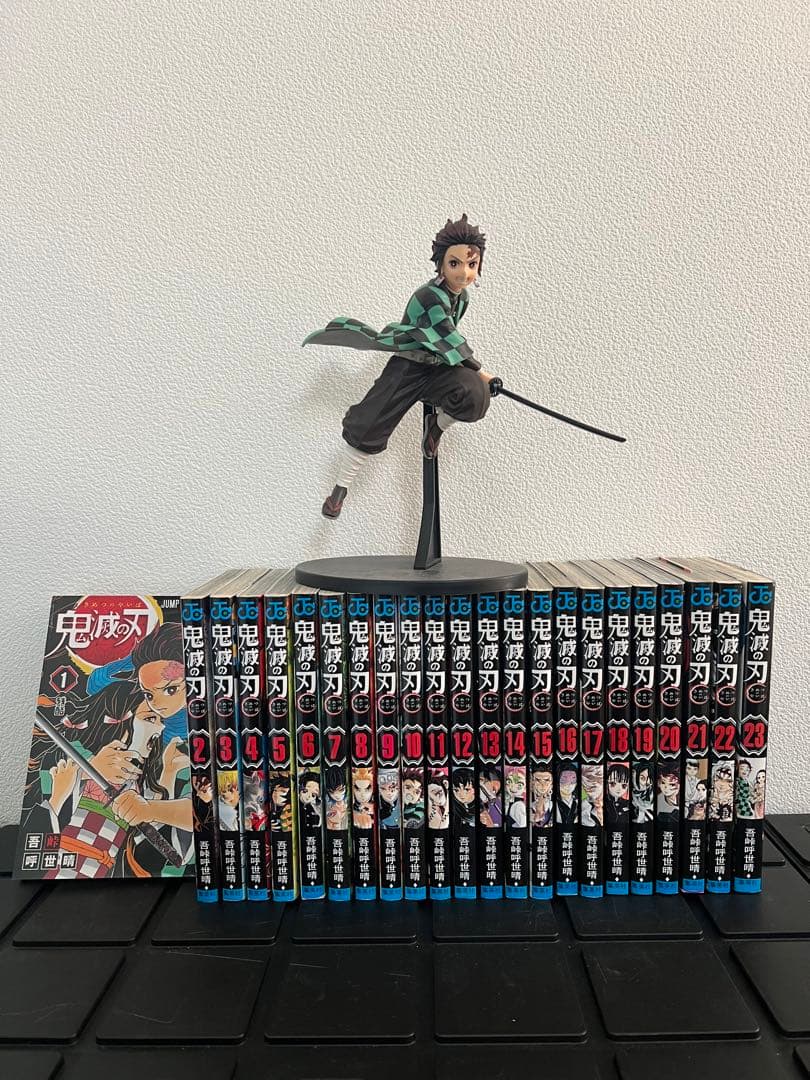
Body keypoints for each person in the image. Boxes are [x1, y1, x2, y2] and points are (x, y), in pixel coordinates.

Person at [304, 215, 496, 518]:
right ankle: (339, 490)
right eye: (455, 264)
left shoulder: (462, 298)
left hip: (438, 367)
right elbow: (447, 335)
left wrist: (478, 380)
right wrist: (482, 372)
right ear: (441, 264)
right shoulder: (429, 296)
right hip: (409, 366)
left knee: (475, 395)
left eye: (472, 265)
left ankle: (436, 427)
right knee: (369, 424)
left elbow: (449, 344)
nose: (464, 273)